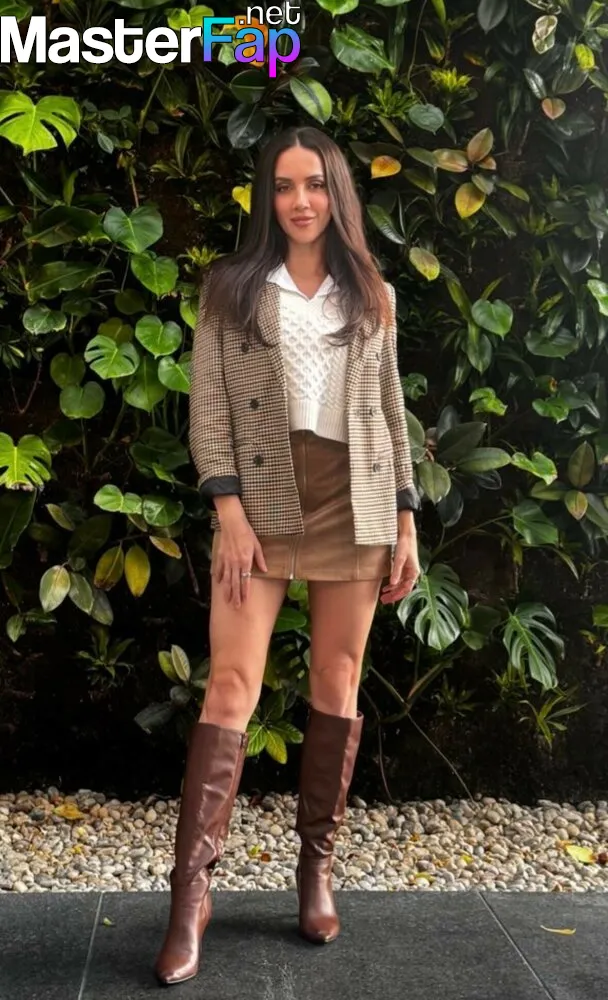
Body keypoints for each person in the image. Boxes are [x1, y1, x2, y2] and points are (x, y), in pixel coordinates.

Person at [153, 125, 421, 986]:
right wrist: (228, 510)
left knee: (336, 684)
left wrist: (406, 520)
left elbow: (390, 411)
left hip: (357, 500)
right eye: (282, 185)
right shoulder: (231, 288)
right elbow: (207, 412)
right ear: (265, 197)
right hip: (260, 501)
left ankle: (316, 870)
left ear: (336, 194)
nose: (299, 201)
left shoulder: (371, 291)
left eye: (313, 185)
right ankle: (191, 896)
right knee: (231, 685)